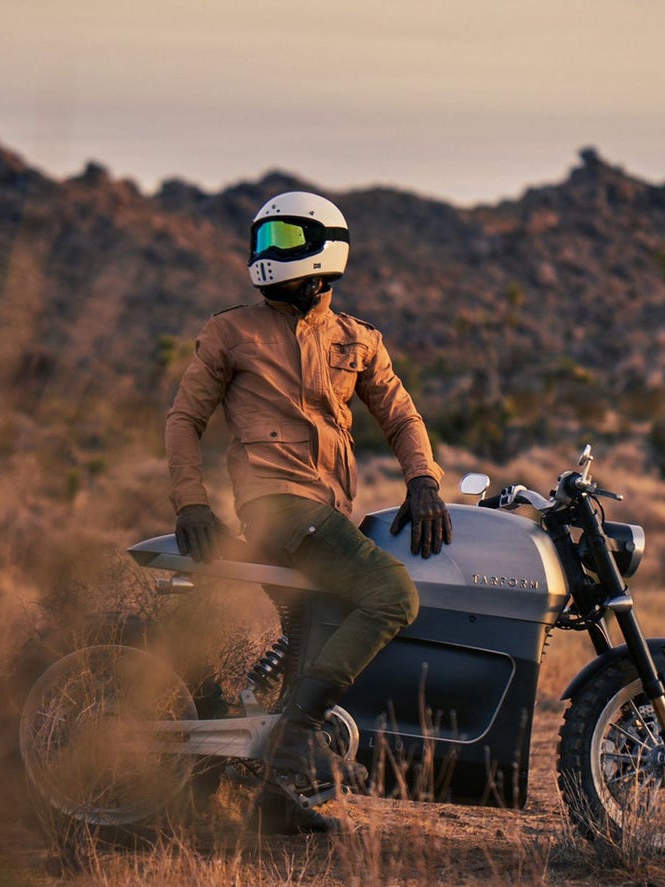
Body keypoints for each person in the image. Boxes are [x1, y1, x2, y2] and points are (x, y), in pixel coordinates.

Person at [165, 190, 452, 833]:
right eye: (261, 242)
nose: (267, 256)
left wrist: (424, 482)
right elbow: (184, 421)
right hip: (278, 510)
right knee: (393, 597)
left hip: (326, 517)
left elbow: (402, 415)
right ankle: (296, 742)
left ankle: (271, 790)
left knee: (303, 641)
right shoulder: (230, 332)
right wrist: (191, 501)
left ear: (326, 250)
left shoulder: (356, 340)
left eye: (283, 241)